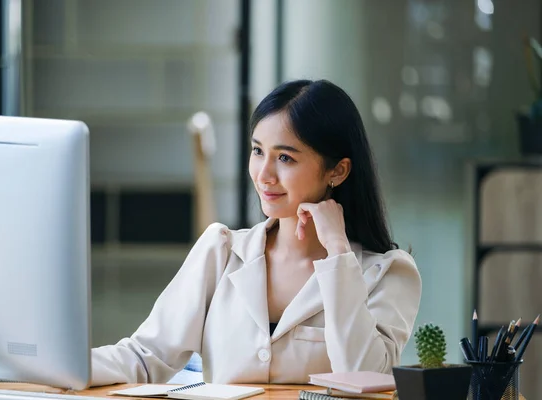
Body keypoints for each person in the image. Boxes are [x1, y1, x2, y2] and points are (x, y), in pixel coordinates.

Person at [91, 79, 422, 386]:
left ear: (338, 170)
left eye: (285, 158)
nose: (264, 175)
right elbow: (146, 357)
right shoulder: (221, 252)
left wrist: (337, 251)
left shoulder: (388, 273)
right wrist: (61, 367)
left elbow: (363, 379)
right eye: (258, 151)